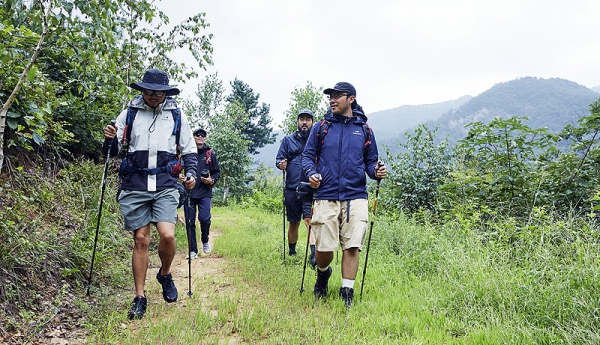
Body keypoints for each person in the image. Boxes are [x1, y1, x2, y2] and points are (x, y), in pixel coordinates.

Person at [102, 68, 198, 320]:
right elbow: (111, 149)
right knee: (141, 239)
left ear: (165, 92)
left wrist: (191, 174)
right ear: (142, 90)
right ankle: (140, 297)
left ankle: (165, 274)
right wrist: (110, 137)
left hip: (165, 183)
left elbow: (189, 150)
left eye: (158, 92)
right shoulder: (130, 113)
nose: (153, 96)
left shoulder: (176, 114)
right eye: (148, 91)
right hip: (135, 183)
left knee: (167, 235)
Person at [301, 82, 387, 309]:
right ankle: (323, 273)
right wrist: (311, 173)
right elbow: (307, 157)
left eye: (337, 96)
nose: (332, 100)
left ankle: (346, 291)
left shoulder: (364, 129)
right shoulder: (321, 127)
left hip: (356, 195)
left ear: (351, 99)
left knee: (352, 245)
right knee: (324, 249)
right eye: (330, 96)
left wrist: (376, 172)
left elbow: (370, 162)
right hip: (326, 193)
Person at [276, 109, 317, 266]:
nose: (304, 122)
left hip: (309, 187)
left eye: (308, 119)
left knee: (309, 220)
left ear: (312, 122)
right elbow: (279, 159)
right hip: (292, 187)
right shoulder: (287, 140)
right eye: (302, 119)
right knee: (294, 222)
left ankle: (313, 255)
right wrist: (281, 164)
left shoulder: (315, 140)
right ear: (297, 122)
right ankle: (292, 251)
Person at [181, 127, 220, 258]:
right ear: (193, 137)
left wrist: (211, 180)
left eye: (203, 135)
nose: (200, 137)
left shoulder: (210, 154)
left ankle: (205, 239)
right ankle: (193, 250)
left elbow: (217, 172)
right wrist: (179, 176)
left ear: (205, 138)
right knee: (190, 222)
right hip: (189, 193)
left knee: (204, 218)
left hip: (204, 193)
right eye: (197, 135)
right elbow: (177, 169)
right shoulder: (186, 154)